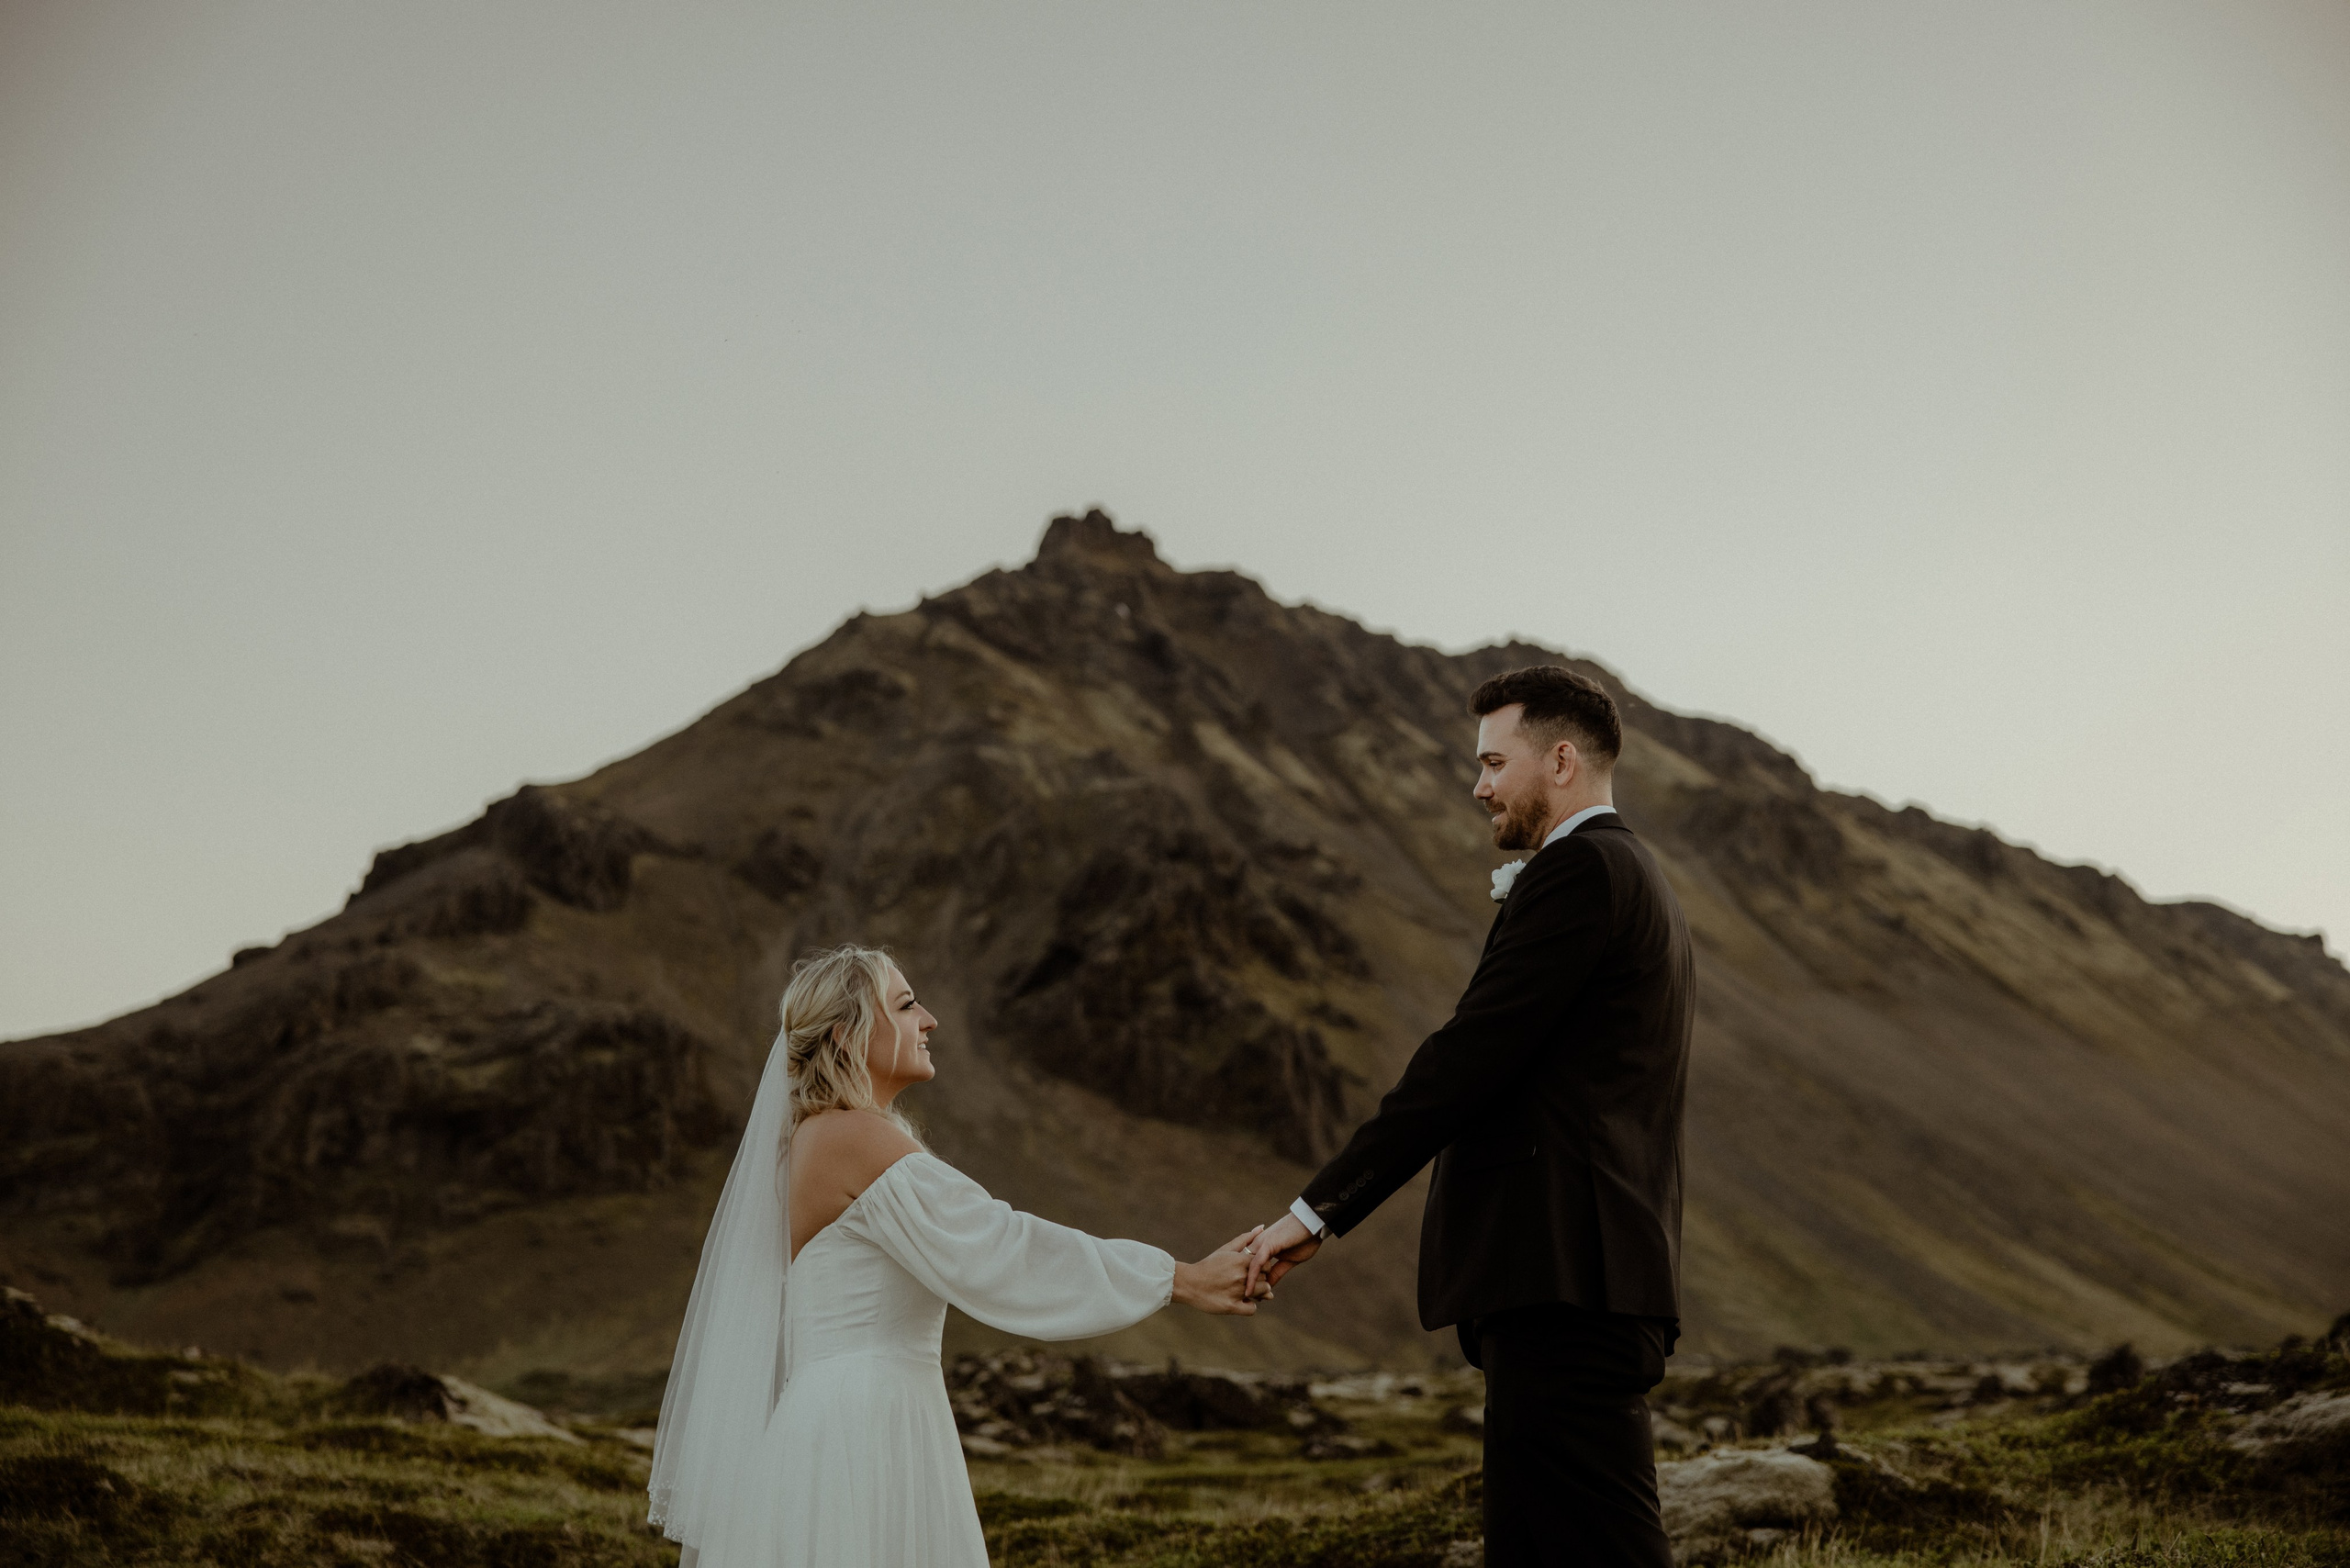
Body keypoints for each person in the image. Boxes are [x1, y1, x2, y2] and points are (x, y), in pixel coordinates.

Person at [1244, 665, 1694, 1568]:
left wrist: (1314, 1213)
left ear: (1560, 760)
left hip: (1566, 1278)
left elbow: (1464, 1061)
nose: (1478, 783)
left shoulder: (1581, 872)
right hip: (1574, 1278)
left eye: (1494, 761)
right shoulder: (1628, 873)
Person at [649, 945, 1264, 1568]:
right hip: (862, 1429)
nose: (931, 1020)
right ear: (846, 1034)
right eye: (907, 1004)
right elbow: (1003, 1248)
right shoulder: (853, 1136)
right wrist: (1178, 1279)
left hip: (855, 1417)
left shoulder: (818, 1139)